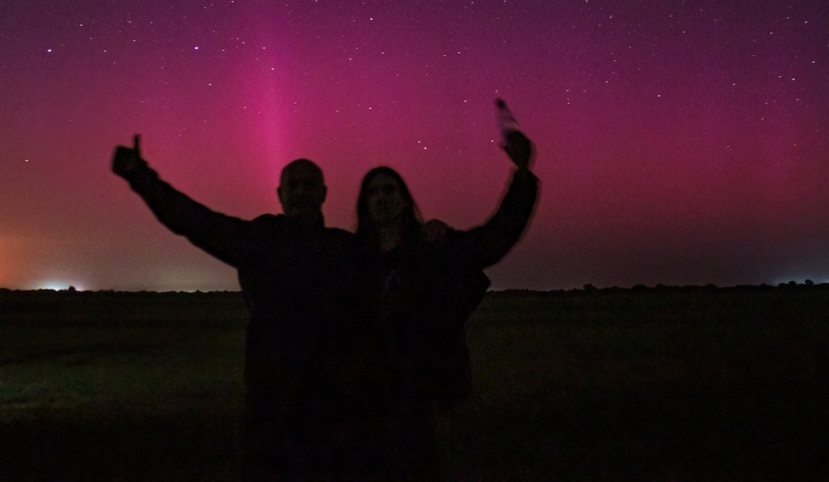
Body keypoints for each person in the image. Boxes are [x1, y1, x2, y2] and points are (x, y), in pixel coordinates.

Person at [112, 136, 363, 481]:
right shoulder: (261, 239)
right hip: (271, 402)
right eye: (294, 185)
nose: (302, 192)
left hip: (333, 402)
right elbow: (195, 222)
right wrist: (141, 177)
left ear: (323, 193)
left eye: (309, 185)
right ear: (280, 194)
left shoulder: (346, 249)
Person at [348, 131, 538, 481]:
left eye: (390, 190)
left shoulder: (431, 247)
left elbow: (492, 241)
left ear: (405, 201)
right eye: (373, 192)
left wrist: (522, 176)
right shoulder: (349, 258)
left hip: (420, 394)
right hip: (365, 396)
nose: (382, 198)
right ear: (364, 204)